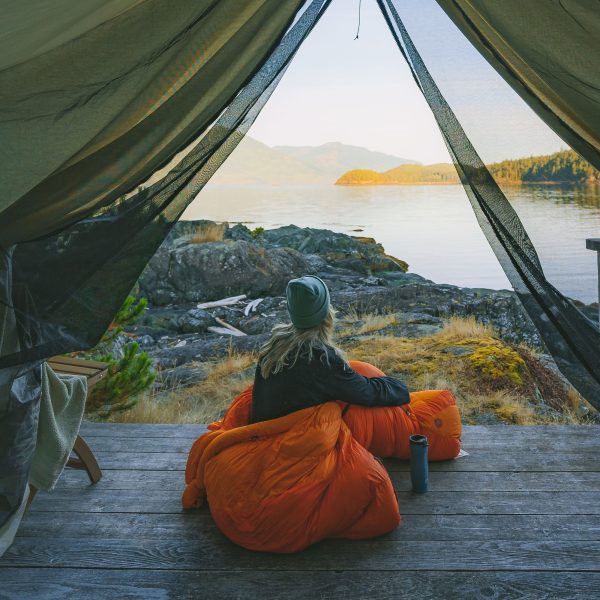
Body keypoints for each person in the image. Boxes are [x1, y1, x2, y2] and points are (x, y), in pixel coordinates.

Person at [251, 275, 410, 423]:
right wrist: (401, 388)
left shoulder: (275, 345)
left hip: (265, 431)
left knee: (361, 370)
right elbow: (367, 393)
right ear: (326, 313)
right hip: (294, 440)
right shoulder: (319, 358)